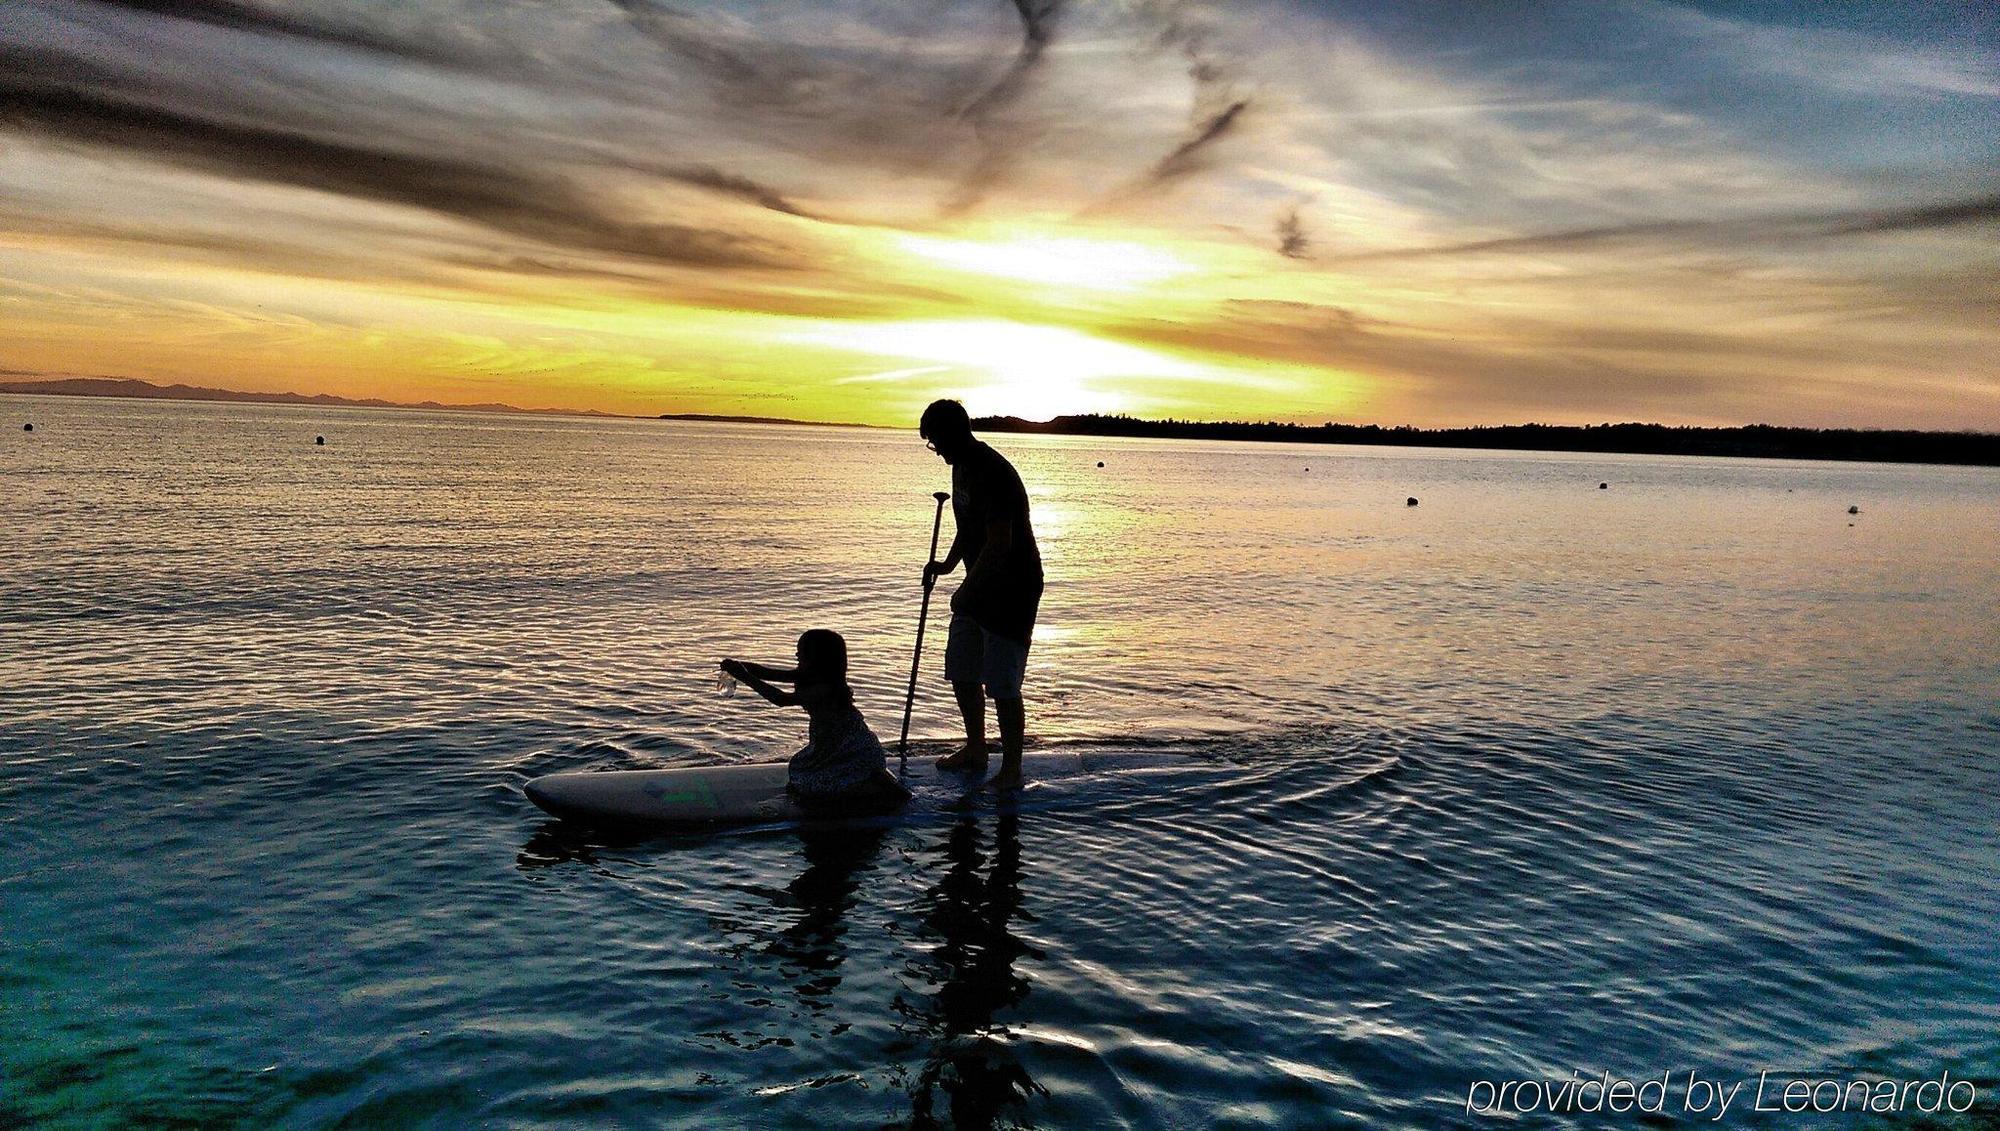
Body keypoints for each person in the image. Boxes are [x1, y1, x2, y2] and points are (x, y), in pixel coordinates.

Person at [919, 399, 1043, 788]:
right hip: (979, 584)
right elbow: (969, 528)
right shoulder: (962, 469)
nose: (936, 452)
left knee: (1002, 682)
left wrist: (965, 592)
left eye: (936, 442)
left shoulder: (993, 471)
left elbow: (999, 544)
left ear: (953, 433)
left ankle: (1011, 769)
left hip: (1012, 588)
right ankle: (976, 748)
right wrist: (948, 565)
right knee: (962, 667)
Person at [721, 630, 910, 811]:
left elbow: (781, 699)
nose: (796, 654)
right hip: (832, 742)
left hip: (851, 745)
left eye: (802, 652)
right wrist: (738, 666)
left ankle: (875, 787)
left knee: (819, 783)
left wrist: (745, 676)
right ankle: (871, 783)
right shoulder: (806, 674)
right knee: (807, 773)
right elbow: (771, 673)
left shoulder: (826, 687)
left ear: (818, 659)